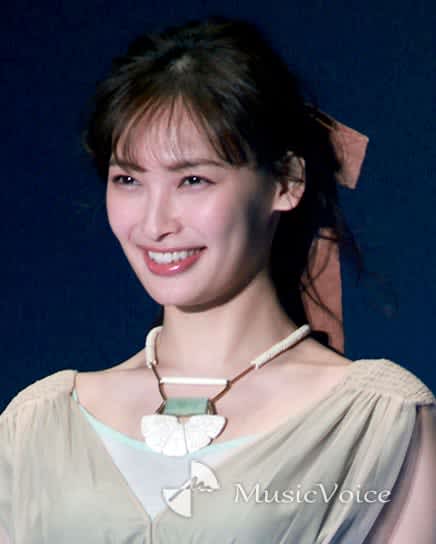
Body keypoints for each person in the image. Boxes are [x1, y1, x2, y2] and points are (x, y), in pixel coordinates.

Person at [1, 16, 435, 544]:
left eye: (192, 179)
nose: (155, 224)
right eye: (128, 179)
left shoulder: (374, 420)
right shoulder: (39, 423)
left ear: (286, 182)